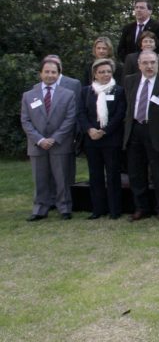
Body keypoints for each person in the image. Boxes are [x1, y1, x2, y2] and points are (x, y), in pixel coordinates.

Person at [22, 58, 78, 221]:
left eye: (54, 72)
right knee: (40, 179)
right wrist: (40, 140)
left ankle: (64, 208)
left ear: (58, 74)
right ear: (40, 73)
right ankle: (40, 208)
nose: (50, 75)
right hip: (37, 145)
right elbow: (25, 120)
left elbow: (70, 119)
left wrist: (54, 138)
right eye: (47, 71)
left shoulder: (68, 95)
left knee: (62, 178)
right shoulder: (29, 95)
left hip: (59, 143)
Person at [123, 50, 159, 221]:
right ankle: (141, 208)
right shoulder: (130, 81)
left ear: (157, 63)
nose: (149, 66)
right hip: (135, 130)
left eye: (152, 62)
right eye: (145, 63)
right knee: (136, 172)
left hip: (156, 132)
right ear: (139, 65)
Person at [79, 58, 127, 219]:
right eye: (101, 72)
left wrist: (104, 131)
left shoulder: (119, 91)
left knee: (113, 175)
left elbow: (120, 114)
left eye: (108, 71)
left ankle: (115, 209)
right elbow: (81, 113)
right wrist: (89, 129)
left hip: (111, 139)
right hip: (91, 140)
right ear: (94, 74)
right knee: (95, 175)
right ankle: (98, 209)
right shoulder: (86, 91)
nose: (105, 74)